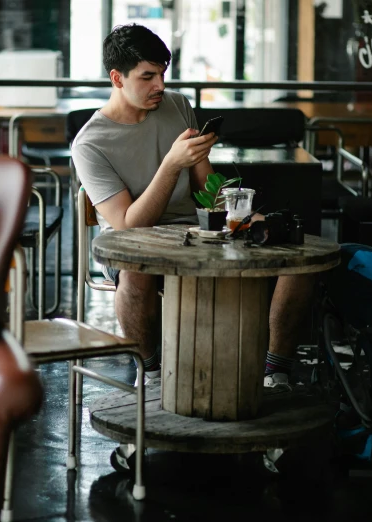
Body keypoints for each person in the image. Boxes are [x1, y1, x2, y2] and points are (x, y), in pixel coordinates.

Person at [72, 24, 314, 387]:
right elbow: (126, 226)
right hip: (133, 243)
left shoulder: (177, 105)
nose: (161, 86)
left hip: (198, 227)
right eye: (148, 76)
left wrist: (243, 214)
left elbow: (208, 189)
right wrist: (171, 165)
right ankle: (150, 370)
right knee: (134, 272)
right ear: (117, 78)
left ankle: (275, 370)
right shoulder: (90, 144)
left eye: (163, 74)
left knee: (298, 253)